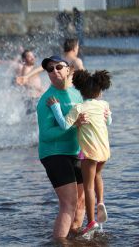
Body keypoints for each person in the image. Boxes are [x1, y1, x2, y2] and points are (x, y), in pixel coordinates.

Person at [46, 70, 112, 238]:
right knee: (98, 175)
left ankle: (91, 222)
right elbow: (109, 121)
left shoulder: (79, 108)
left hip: (90, 153)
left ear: (80, 91)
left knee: (88, 187)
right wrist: (108, 115)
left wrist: (55, 107)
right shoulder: (104, 105)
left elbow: (63, 125)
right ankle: (101, 202)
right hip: (104, 151)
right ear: (99, 91)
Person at [37, 55, 86, 239]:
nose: (54, 71)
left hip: (77, 152)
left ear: (68, 70)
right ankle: (59, 243)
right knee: (69, 203)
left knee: (81, 202)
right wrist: (74, 125)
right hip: (54, 153)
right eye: (50, 69)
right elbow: (46, 135)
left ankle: (74, 237)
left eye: (58, 67)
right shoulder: (46, 100)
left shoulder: (77, 94)